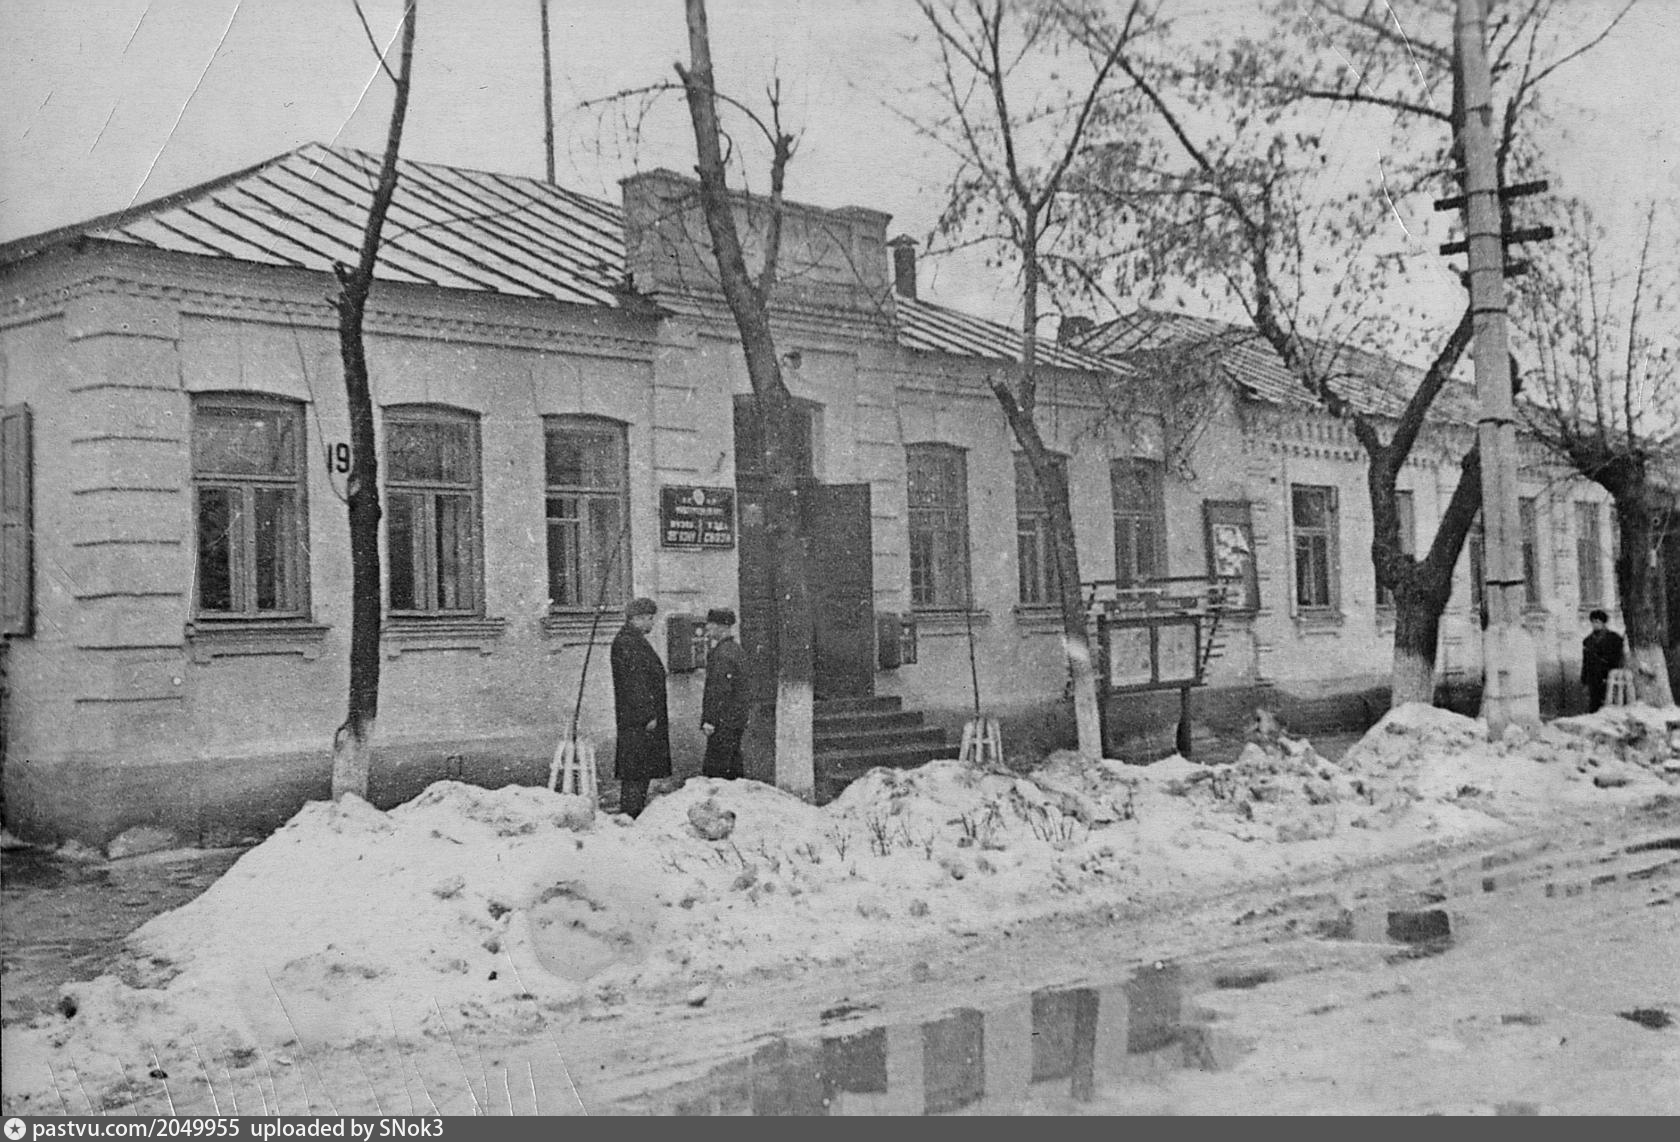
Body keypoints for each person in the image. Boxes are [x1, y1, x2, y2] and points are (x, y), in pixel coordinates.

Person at [609, 597, 670, 818]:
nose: (652, 623)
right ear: (637, 618)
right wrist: (648, 715)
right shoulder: (628, 642)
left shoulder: (633, 640)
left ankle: (633, 812)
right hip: (638, 720)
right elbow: (634, 683)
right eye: (649, 618)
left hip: (637, 718)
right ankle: (630, 815)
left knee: (640, 769)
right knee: (636, 771)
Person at [700, 607, 750, 779]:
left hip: (722, 723)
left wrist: (710, 720)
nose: (707, 628)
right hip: (734, 720)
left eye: (711, 624)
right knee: (733, 767)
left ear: (721, 626)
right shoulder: (736, 650)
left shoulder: (722, 654)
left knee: (717, 773)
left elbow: (719, 691)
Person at [1580, 608, 1626, 713]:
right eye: (1593, 622)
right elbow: (1585, 661)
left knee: (1610, 701)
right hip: (1593, 678)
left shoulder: (1614, 638)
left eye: (1597, 622)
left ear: (1603, 623)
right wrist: (1584, 680)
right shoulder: (1588, 641)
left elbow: (1619, 657)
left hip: (1609, 675)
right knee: (1594, 704)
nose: (1595, 625)